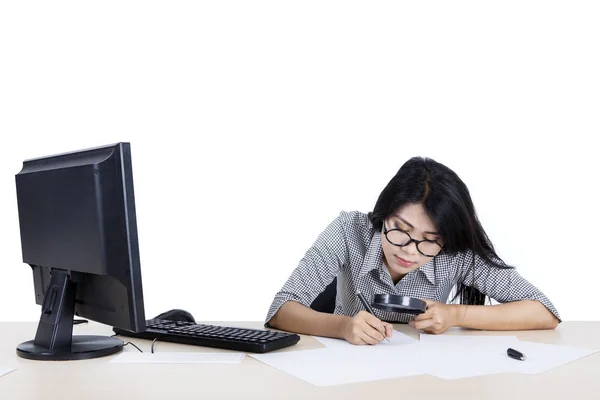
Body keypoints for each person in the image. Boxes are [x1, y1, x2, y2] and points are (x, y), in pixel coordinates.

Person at [265, 157, 560, 345]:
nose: (410, 251)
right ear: (383, 215)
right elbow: (280, 310)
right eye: (400, 230)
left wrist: (455, 315)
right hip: (347, 367)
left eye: (430, 240)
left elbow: (544, 312)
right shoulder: (347, 230)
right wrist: (342, 327)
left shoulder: (456, 252)